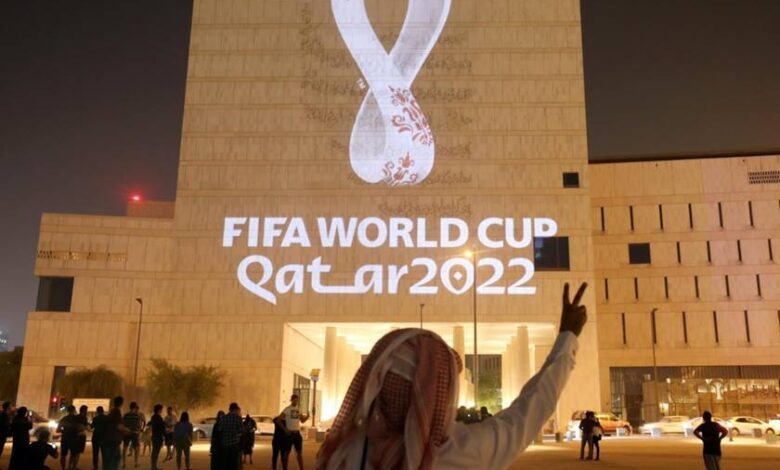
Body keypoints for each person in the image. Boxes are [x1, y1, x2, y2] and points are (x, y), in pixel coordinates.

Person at [315, 282, 588, 470]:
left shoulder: (343, 455)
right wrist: (567, 337)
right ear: (439, 395)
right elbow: (529, 411)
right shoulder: (462, 452)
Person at [276, 394, 309, 470]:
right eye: (294, 400)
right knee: (287, 453)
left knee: (299, 453)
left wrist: (307, 416)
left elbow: (302, 420)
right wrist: (285, 429)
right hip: (289, 434)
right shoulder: (287, 409)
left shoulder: (298, 409)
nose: (296, 401)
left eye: (297, 400)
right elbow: (278, 420)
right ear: (291, 400)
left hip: (297, 433)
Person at [103, 396, 130, 470]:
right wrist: (127, 430)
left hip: (108, 439)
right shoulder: (117, 412)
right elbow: (119, 426)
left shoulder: (111, 412)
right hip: (113, 440)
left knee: (108, 460)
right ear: (121, 403)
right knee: (115, 459)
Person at [58, 405, 85, 470]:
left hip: (65, 439)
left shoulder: (63, 419)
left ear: (68, 411)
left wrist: (64, 431)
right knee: (74, 454)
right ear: (74, 410)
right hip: (74, 438)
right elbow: (81, 428)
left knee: (63, 455)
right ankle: (71, 467)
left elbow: (58, 430)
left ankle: (63, 468)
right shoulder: (77, 419)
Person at [220, 403, 244, 470]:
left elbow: (219, 429)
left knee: (226, 462)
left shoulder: (223, 418)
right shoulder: (238, 418)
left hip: (225, 443)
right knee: (234, 463)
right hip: (234, 444)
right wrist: (237, 434)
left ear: (229, 409)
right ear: (235, 409)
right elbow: (242, 430)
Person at [122, 402, 145, 469]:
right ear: (135, 407)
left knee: (125, 448)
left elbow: (123, 423)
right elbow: (138, 425)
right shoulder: (137, 415)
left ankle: (124, 463)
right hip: (135, 433)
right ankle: (136, 463)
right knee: (136, 448)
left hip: (127, 433)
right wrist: (140, 429)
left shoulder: (126, 415)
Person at [91, 406, 108, 470]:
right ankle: (105, 467)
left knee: (95, 454)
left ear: (97, 411)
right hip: (104, 438)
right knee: (104, 454)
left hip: (96, 437)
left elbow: (92, 426)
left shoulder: (95, 418)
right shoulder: (107, 418)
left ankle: (95, 467)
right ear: (103, 411)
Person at [149, 404, 166, 470]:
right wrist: (165, 433)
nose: (162, 410)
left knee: (154, 451)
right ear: (159, 410)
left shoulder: (153, 417)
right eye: (161, 409)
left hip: (154, 436)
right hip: (158, 436)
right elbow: (161, 427)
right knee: (156, 452)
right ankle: (154, 467)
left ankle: (153, 466)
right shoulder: (159, 417)